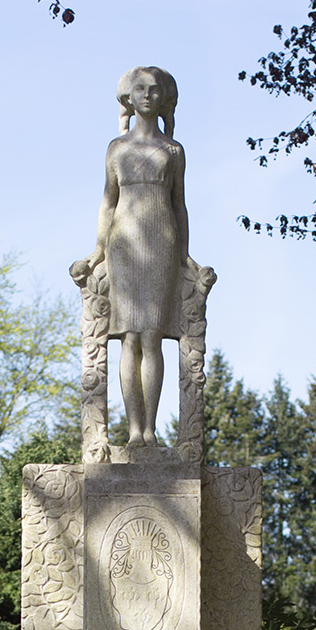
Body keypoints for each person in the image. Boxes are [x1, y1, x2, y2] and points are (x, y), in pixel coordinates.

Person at [72, 65, 191, 448]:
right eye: (140, 88)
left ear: (164, 98)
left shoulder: (173, 150)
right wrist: (98, 251)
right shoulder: (116, 149)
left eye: (155, 90)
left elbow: (179, 205)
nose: (148, 95)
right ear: (128, 96)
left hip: (161, 242)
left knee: (152, 336)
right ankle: (132, 430)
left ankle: (150, 432)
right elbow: (109, 202)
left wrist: (186, 256)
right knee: (128, 338)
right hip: (124, 244)